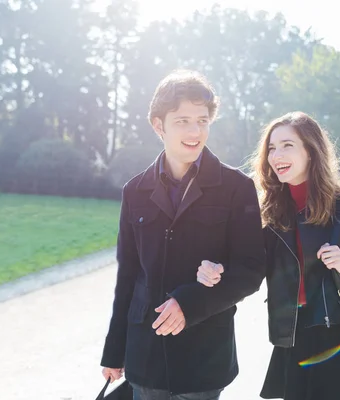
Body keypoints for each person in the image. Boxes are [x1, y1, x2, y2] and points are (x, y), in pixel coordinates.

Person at [197, 111, 340, 400]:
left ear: (311, 151)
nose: (276, 155)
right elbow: (249, 267)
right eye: (271, 148)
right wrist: (216, 269)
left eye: (287, 145)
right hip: (294, 339)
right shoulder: (270, 215)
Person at [100, 69, 266, 400]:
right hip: (145, 353)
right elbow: (129, 276)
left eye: (202, 121)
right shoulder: (135, 191)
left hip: (203, 358)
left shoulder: (237, 188)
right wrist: (114, 350)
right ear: (158, 125)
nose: (195, 132)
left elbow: (251, 270)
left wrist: (190, 302)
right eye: (183, 121)